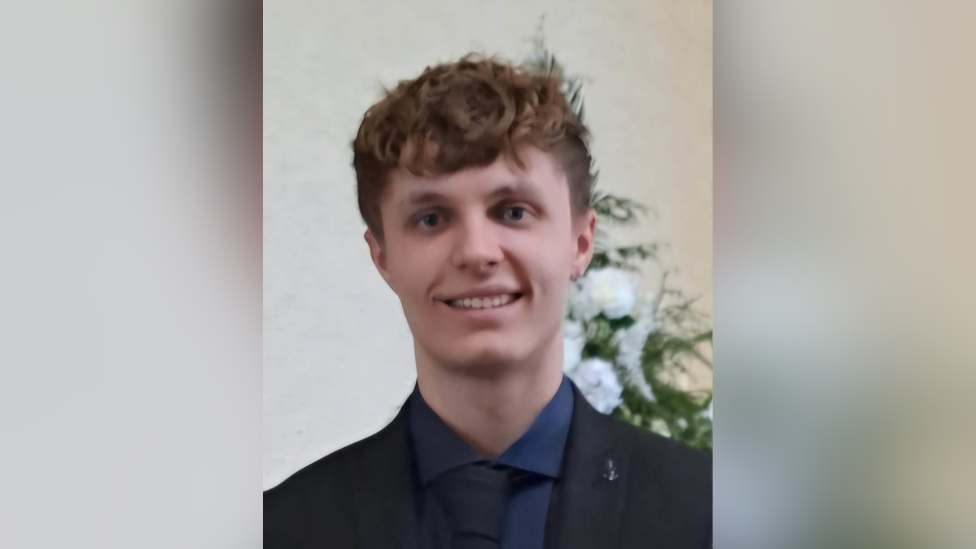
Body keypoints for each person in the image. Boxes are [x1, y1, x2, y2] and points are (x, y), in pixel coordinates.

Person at [263, 54, 711, 549]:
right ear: (383, 257)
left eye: (513, 211)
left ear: (580, 244)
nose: (476, 252)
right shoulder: (281, 530)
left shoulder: (713, 512)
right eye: (431, 218)